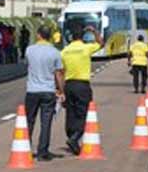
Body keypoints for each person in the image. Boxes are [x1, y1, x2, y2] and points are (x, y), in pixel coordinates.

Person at [25, 25, 66, 161]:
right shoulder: (55, 52)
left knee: (29, 121)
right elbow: (59, 74)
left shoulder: (29, 50)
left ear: (38, 35)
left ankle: (25, 148)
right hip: (48, 90)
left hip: (32, 90)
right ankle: (42, 152)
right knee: (46, 122)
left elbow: (28, 65)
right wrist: (61, 90)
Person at [61, 27, 104, 155]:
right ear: (82, 38)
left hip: (68, 84)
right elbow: (101, 43)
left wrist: (60, 89)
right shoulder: (86, 48)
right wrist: (94, 31)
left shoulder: (65, 51)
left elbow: (61, 71)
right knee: (85, 113)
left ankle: (71, 136)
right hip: (82, 85)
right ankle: (75, 138)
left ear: (71, 38)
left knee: (71, 112)